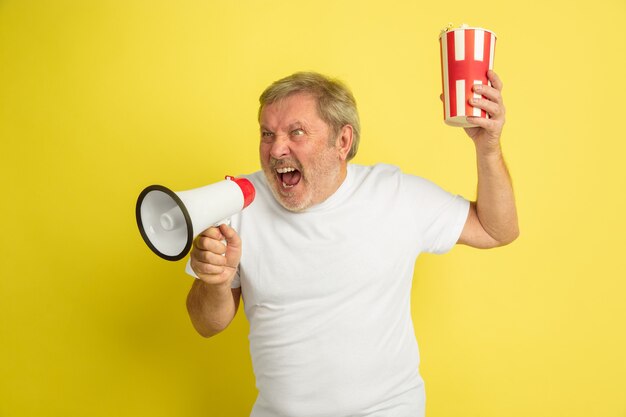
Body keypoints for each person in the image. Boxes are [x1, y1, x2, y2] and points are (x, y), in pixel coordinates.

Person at [185, 71, 518, 417]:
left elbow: (496, 229)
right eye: (267, 134)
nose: (276, 149)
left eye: (295, 132)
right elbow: (206, 323)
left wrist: (488, 147)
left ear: (342, 141)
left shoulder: (396, 195)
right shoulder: (239, 203)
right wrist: (217, 281)